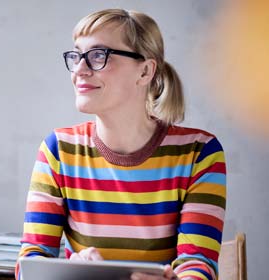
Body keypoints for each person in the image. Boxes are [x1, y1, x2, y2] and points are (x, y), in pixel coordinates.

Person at [16, 8, 226, 280]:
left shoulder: (200, 153)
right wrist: (72, 270)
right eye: (77, 55)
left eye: (98, 56)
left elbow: (198, 266)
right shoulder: (58, 150)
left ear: (145, 71)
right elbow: (30, 264)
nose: (80, 69)